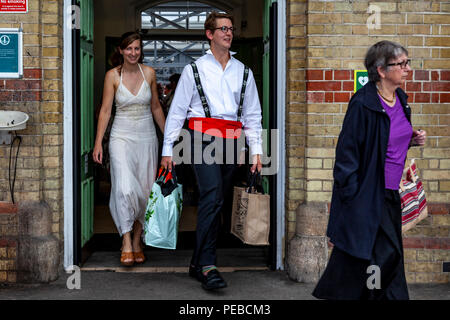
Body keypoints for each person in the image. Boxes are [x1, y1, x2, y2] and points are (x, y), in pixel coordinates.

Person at [312, 40, 427, 300]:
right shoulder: (363, 104)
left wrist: (411, 139)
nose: (407, 69)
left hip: (390, 195)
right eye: (401, 64)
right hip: (367, 195)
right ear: (382, 70)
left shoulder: (400, 99)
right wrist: (353, 200)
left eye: (407, 63)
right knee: (381, 255)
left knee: (374, 256)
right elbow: (346, 158)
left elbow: (386, 139)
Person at [160, 11, 263, 290]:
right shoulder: (194, 70)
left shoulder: (244, 71)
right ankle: (208, 265)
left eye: (230, 29)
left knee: (217, 201)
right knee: (213, 195)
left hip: (231, 140)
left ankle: (196, 262)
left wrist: (256, 152)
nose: (228, 33)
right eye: (222, 29)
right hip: (199, 139)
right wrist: (167, 149)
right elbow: (177, 112)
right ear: (209, 34)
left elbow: (253, 116)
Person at [93, 32, 166, 267]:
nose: (133, 53)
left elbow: (155, 107)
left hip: (146, 138)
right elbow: (105, 111)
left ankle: (137, 241)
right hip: (120, 138)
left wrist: (170, 138)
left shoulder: (150, 74)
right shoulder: (112, 76)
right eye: (129, 49)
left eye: (137, 49)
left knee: (144, 192)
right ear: (121, 50)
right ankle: (125, 240)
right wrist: (98, 143)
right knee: (124, 189)